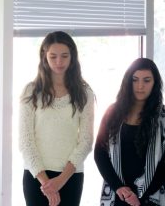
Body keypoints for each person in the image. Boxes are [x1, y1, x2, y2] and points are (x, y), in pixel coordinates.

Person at [18, 31, 95, 206]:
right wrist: (47, 183)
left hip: (71, 177)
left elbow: (86, 141)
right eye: (53, 56)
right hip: (36, 178)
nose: (59, 62)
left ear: (72, 57)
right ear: (44, 57)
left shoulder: (84, 93)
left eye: (64, 56)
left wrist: (60, 180)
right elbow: (25, 142)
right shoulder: (31, 92)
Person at [94, 58, 165, 206]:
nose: (140, 86)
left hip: (152, 196)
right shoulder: (112, 112)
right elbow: (99, 153)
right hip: (118, 194)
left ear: (155, 83)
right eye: (135, 80)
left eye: (146, 80)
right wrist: (119, 187)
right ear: (128, 81)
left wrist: (140, 195)